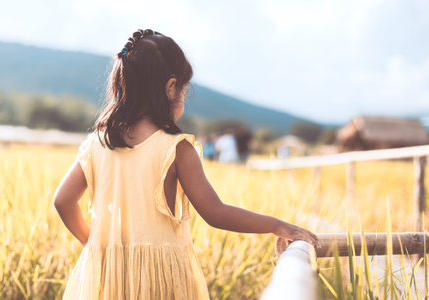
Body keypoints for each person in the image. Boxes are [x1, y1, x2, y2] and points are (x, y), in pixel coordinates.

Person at [53, 29, 319, 300]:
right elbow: (216, 213)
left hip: (105, 280)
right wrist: (276, 225)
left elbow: (62, 200)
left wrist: (91, 241)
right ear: (171, 87)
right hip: (159, 283)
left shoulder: (96, 144)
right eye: (184, 90)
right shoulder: (176, 148)